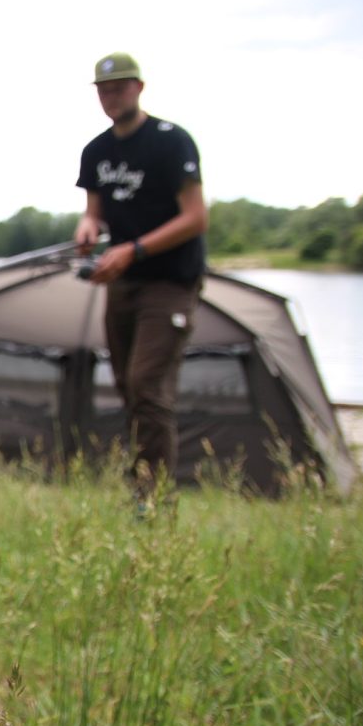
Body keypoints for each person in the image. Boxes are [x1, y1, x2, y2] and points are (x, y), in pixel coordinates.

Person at [73, 52, 209, 513]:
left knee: (148, 386)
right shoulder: (96, 152)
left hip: (170, 282)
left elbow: (196, 217)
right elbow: (95, 212)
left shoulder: (171, 142)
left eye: (119, 87)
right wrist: (89, 228)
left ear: (139, 88)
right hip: (122, 283)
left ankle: (152, 503)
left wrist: (135, 249)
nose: (111, 96)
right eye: (103, 89)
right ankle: (144, 489)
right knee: (131, 390)